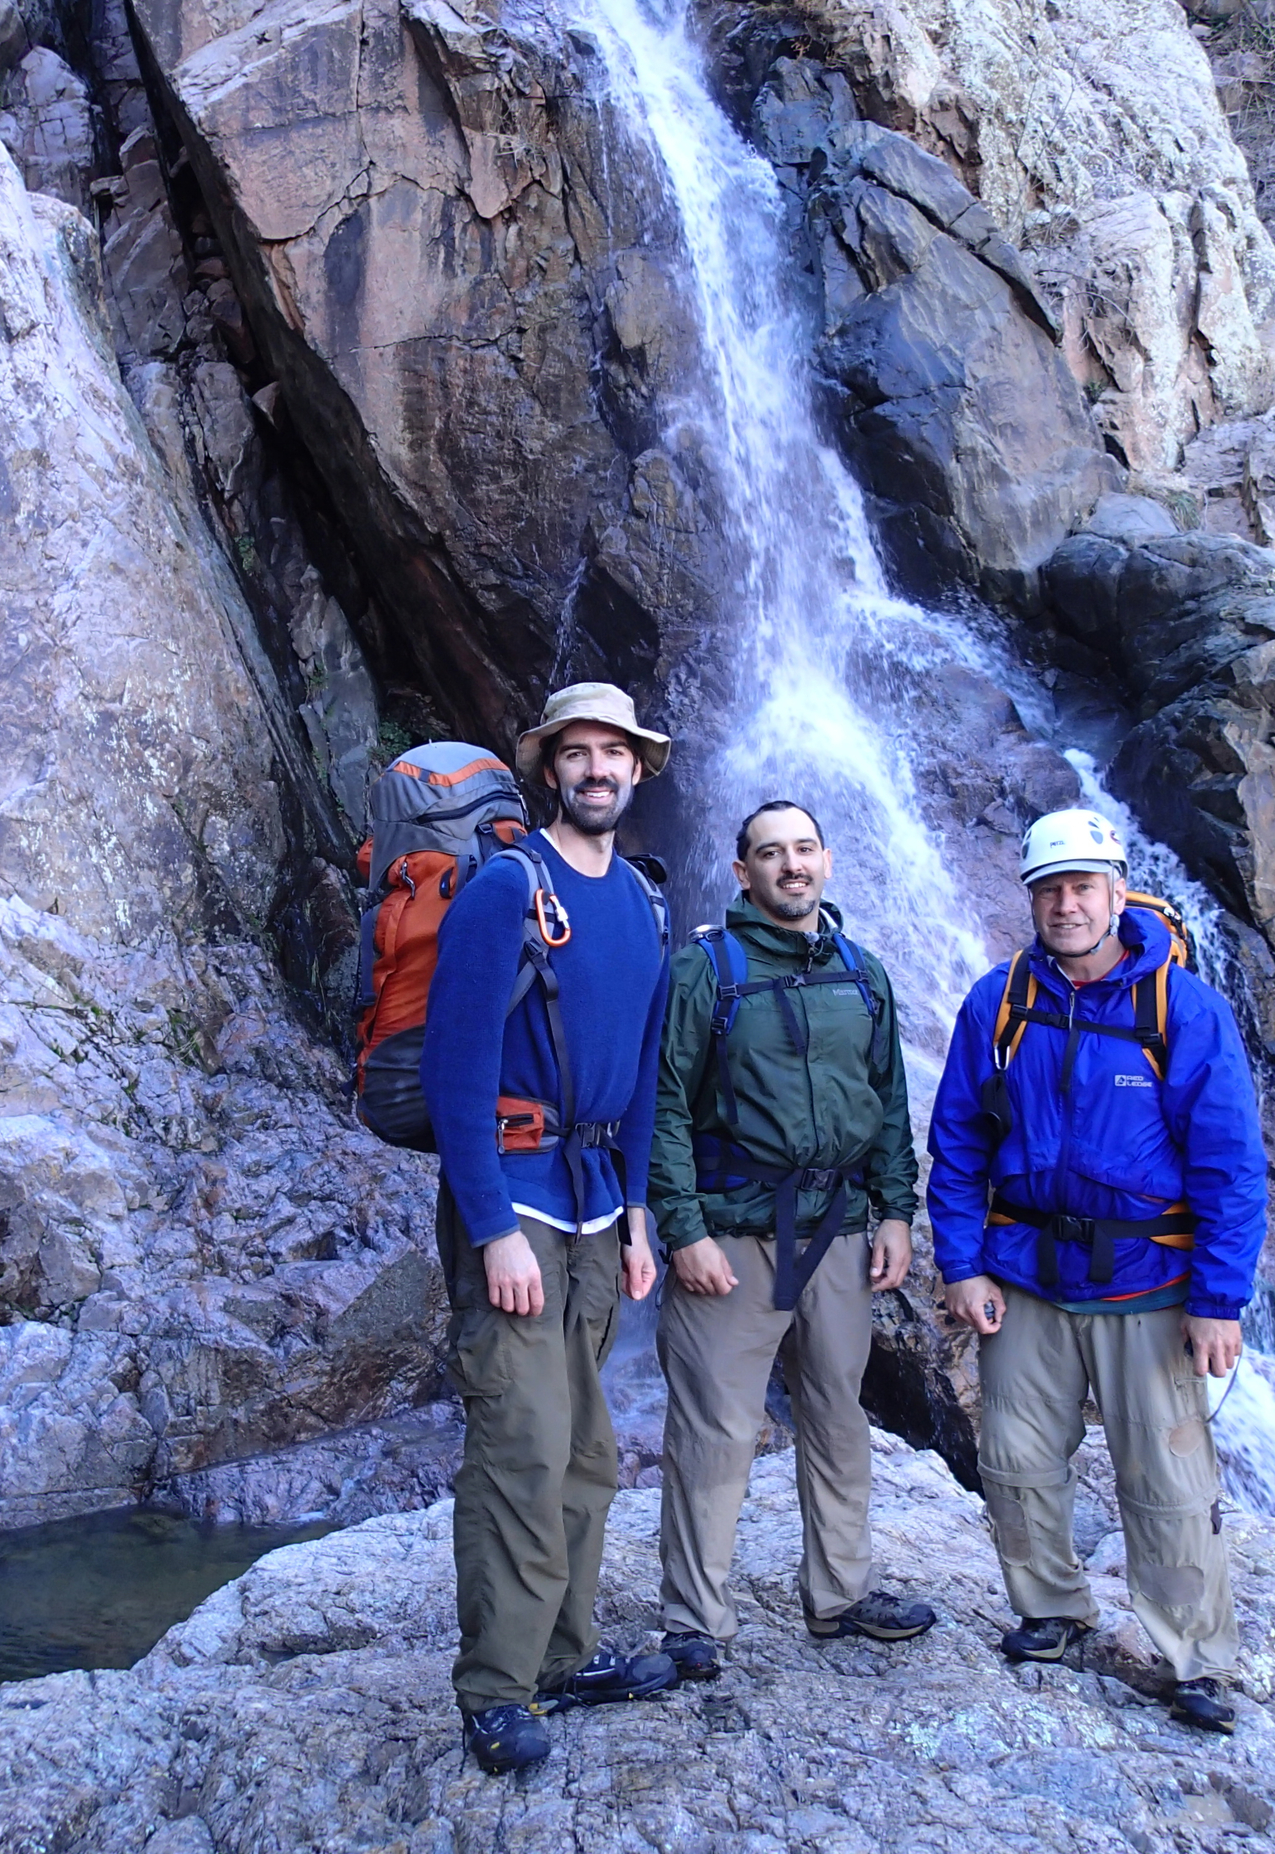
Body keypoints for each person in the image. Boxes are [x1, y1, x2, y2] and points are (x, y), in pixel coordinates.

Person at [925, 808, 1267, 1736]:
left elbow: (1232, 1163)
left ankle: (1194, 1655)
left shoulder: (1181, 1007)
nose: (1066, 905)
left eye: (1083, 887)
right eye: (1050, 889)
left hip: (1148, 1282)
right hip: (1025, 1275)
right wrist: (961, 1262)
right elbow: (956, 1140)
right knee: (1018, 1460)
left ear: (1118, 892)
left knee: (1168, 1478)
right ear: (1032, 899)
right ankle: (1051, 1610)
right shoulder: (997, 1003)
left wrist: (1218, 1299)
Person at [419, 682, 677, 1775]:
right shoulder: (503, 893)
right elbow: (452, 1071)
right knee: (518, 1444)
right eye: (576, 753)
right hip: (516, 1206)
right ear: (547, 771)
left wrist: (638, 1220)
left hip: (595, 1212)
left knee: (583, 1449)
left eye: (613, 753)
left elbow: (649, 1083)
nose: (596, 770)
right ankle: (495, 1690)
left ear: (636, 772)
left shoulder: (645, 904)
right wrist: (490, 1230)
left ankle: (563, 1658)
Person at [645, 800, 934, 1685]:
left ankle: (841, 1594)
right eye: (771, 853)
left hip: (842, 1232)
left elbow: (887, 1102)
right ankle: (696, 1618)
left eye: (804, 848)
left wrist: (895, 1209)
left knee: (839, 1416)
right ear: (742, 873)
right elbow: (660, 1106)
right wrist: (683, 1227)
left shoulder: (863, 971)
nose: (791, 865)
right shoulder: (704, 970)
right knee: (716, 1427)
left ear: (829, 860)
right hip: (734, 1235)